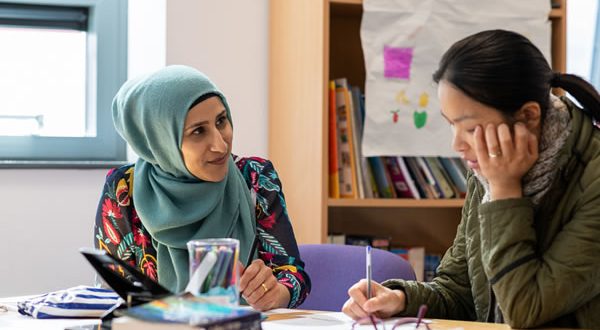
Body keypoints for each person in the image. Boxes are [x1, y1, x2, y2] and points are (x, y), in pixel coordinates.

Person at [342, 30, 600, 328]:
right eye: (451, 124)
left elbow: (526, 309)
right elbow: (459, 290)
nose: (457, 145)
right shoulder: (491, 165)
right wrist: (400, 299)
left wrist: (505, 192)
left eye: (470, 127)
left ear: (529, 115)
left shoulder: (579, 178)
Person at [94, 65, 310, 311]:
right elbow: (111, 292)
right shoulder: (123, 189)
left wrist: (277, 292)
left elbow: (293, 275)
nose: (220, 145)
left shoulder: (255, 177)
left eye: (221, 121)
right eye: (198, 131)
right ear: (161, 140)